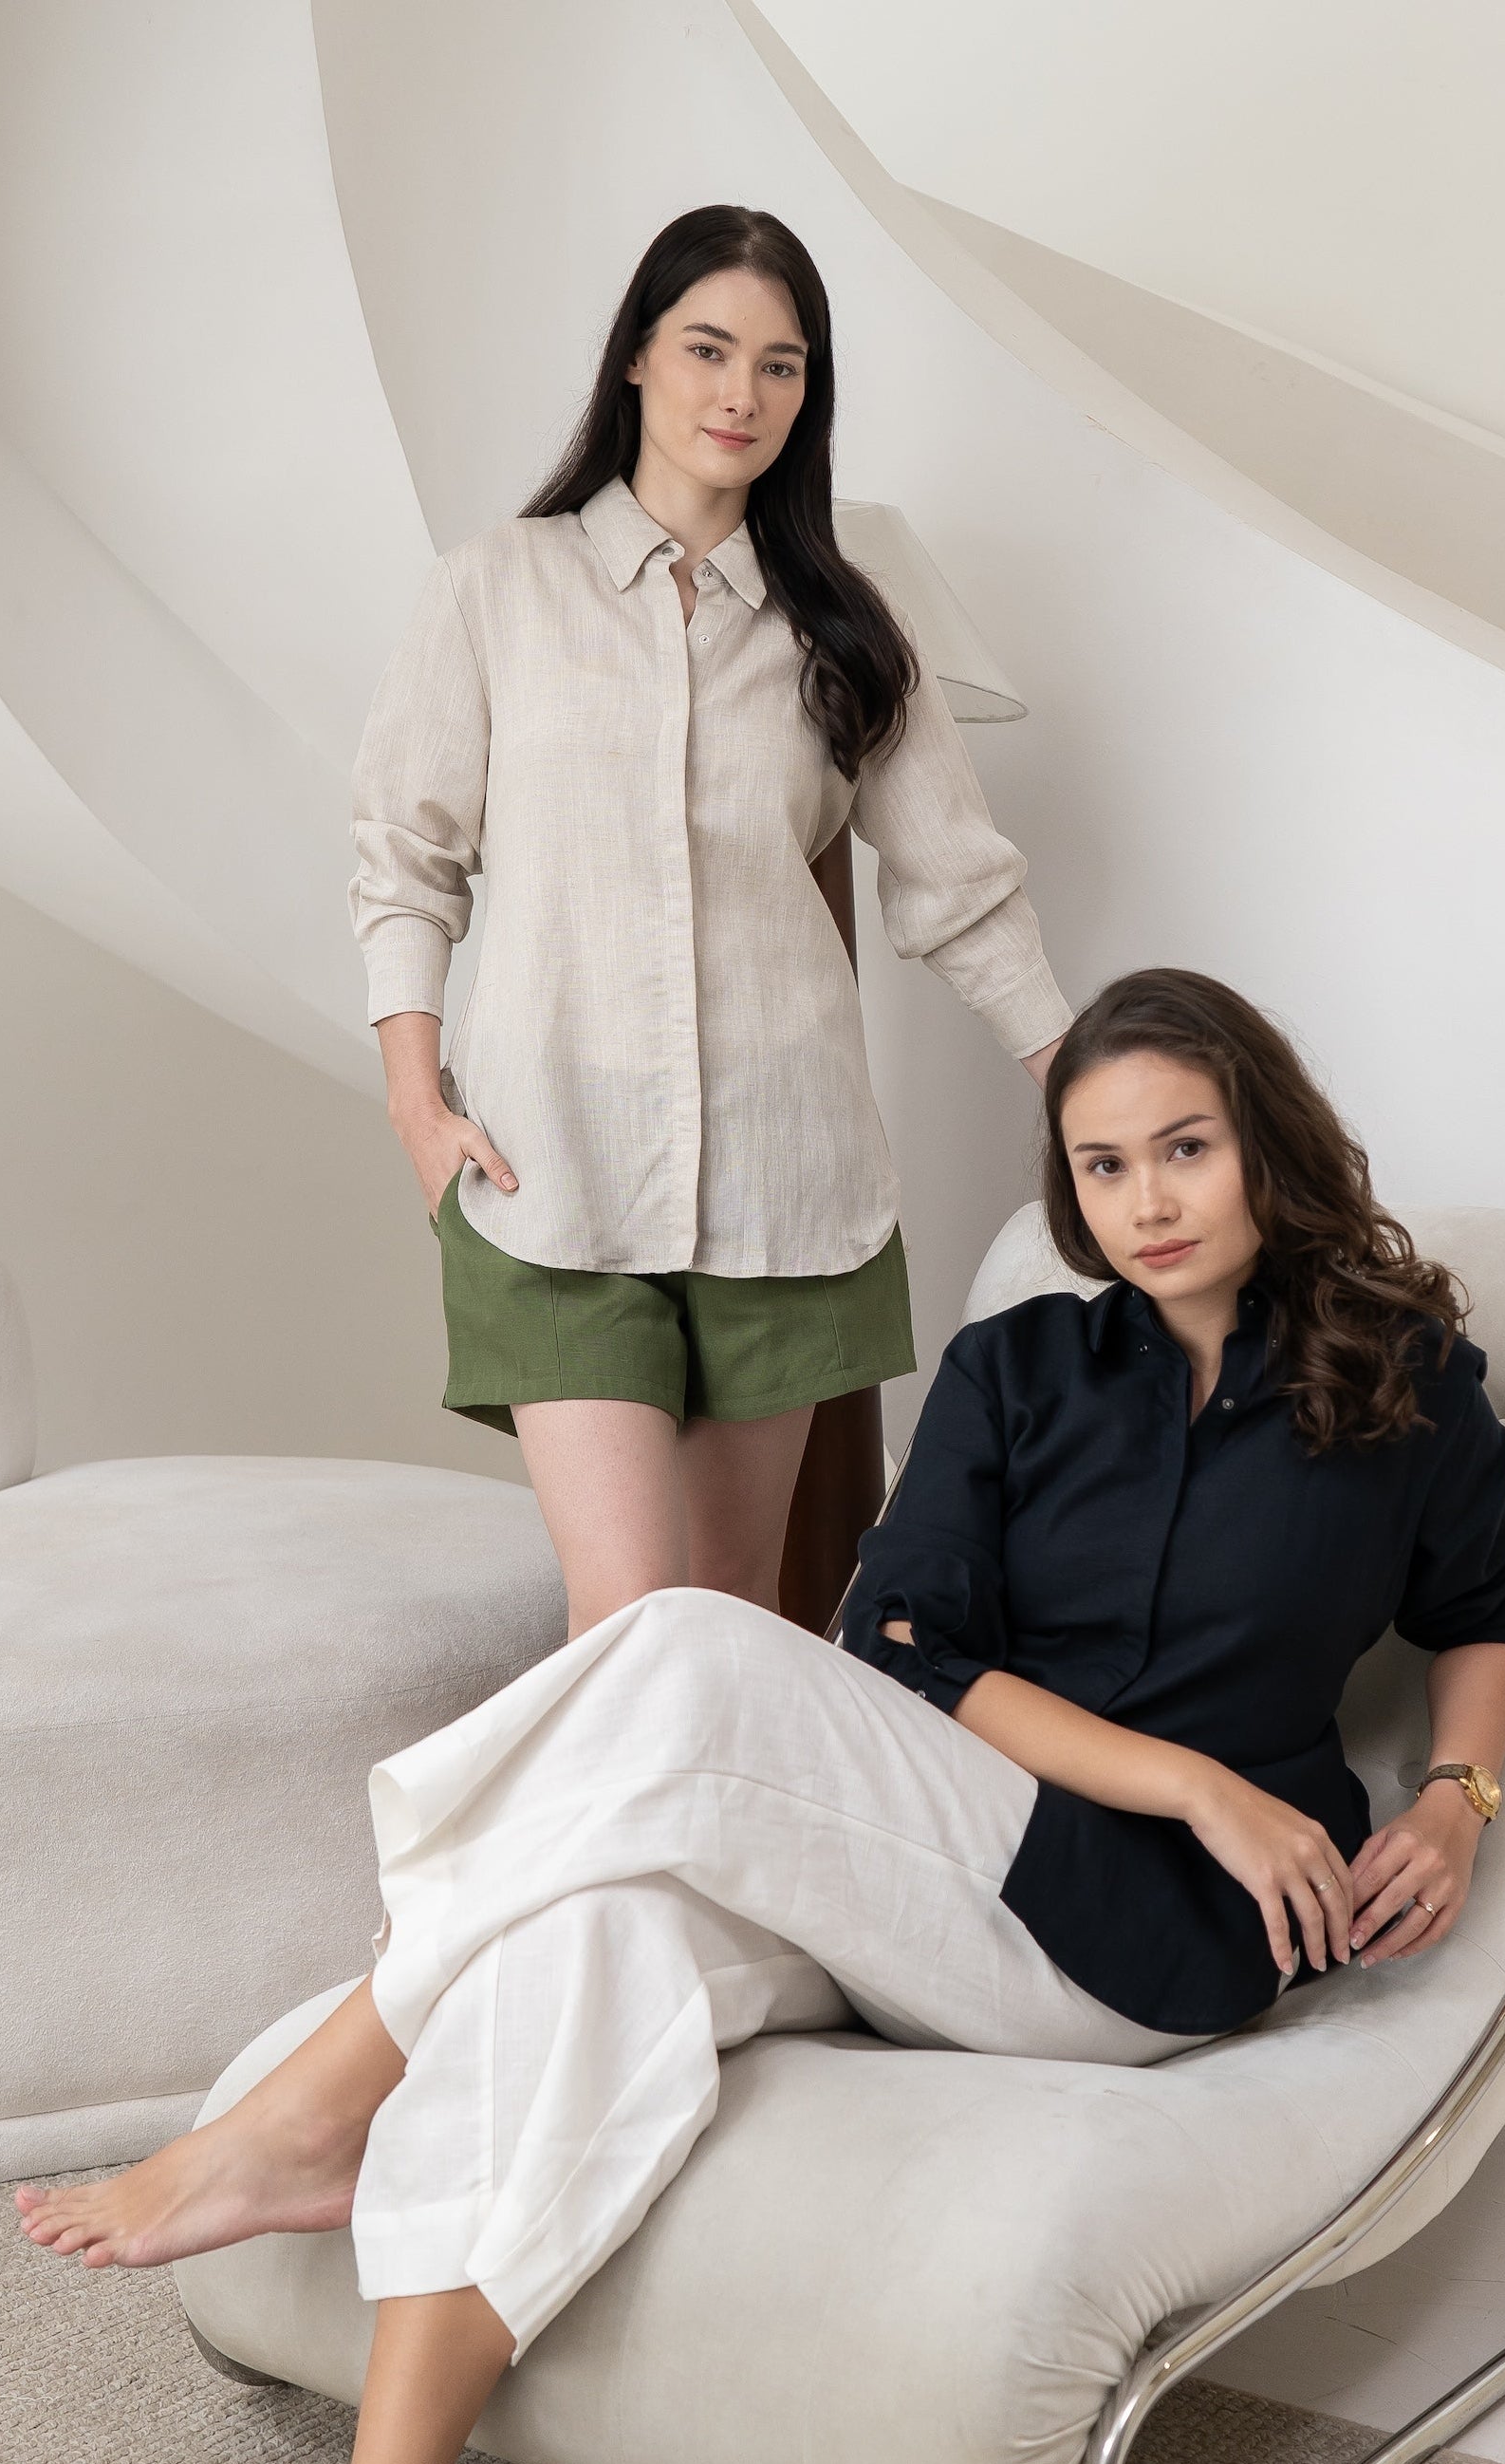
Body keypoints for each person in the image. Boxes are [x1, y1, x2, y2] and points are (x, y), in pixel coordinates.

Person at [18, 969, 1505, 2464]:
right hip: (934, 1875)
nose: (1144, 1198)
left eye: (1181, 1149)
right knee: (572, 1944)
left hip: (1139, 1947)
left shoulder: (1393, 1374)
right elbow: (898, 1644)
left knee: (678, 1647)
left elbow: (1490, 1599)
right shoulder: (1016, 1369)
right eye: (1100, 1163)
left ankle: (326, 2081)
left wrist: (1456, 1801)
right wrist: (1192, 1777)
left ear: (1261, 1145)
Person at [356, 204, 1071, 1636]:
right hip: (549, 1175)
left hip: (789, 1186)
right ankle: (598, 1873)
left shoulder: (847, 629)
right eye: (708, 349)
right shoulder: (497, 590)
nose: (742, 394)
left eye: (783, 365)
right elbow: (407, 856)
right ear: (636, 357)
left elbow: (961, 890)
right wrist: (416, 1105)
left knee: (740, 1614)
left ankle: (716, 1873)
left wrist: (1080, 1090)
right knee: (627, 1611)